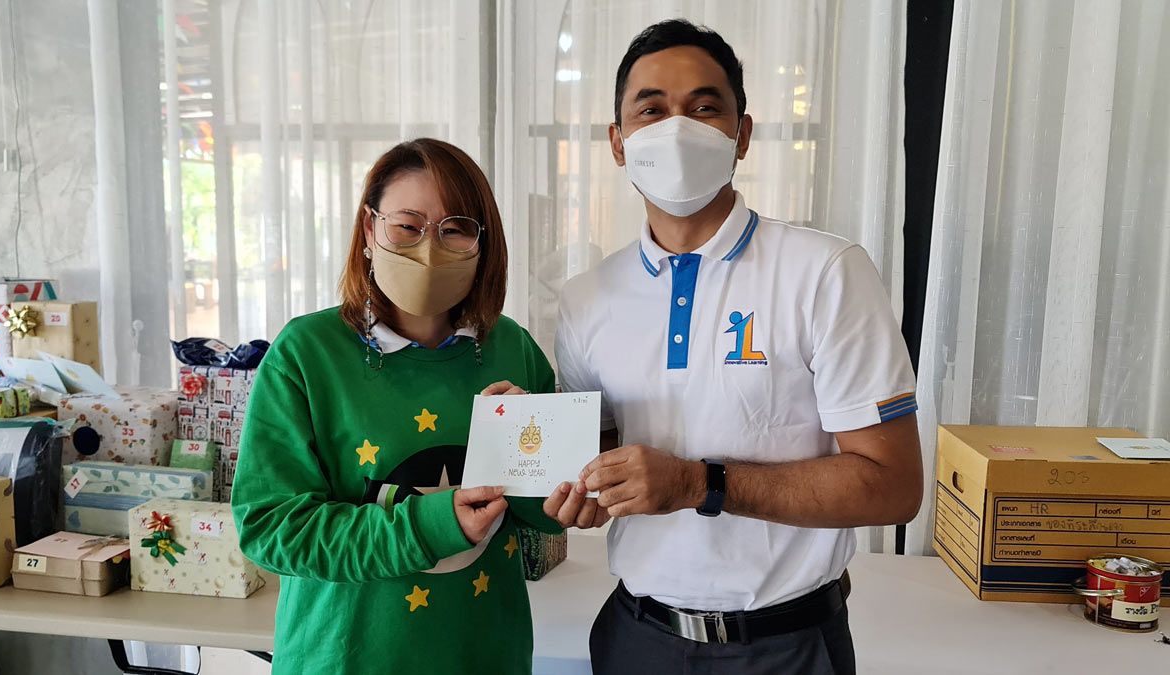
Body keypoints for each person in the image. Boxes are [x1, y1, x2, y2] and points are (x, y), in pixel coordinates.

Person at [542, 19, 923, 674]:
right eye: (651, 110)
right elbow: (597, 463)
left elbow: (894, 486)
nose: (676, 129)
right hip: (638, 638)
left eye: (703, 107)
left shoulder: (824, 272)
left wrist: (698, 483)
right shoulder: (586, 300)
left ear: (741, 134)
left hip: (787, 645)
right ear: (618, 142)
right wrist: (543, 462)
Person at [232, 138, 561, 674]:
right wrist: (429, 525)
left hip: (484, 655)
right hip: (345, 660)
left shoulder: (512, 348)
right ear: (369, 229)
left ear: (483, 244)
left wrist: (560, 494)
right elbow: (270, 528)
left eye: (455, 229)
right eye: (408, 226)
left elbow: (540, 508)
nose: (430, 248)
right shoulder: (307, 354)